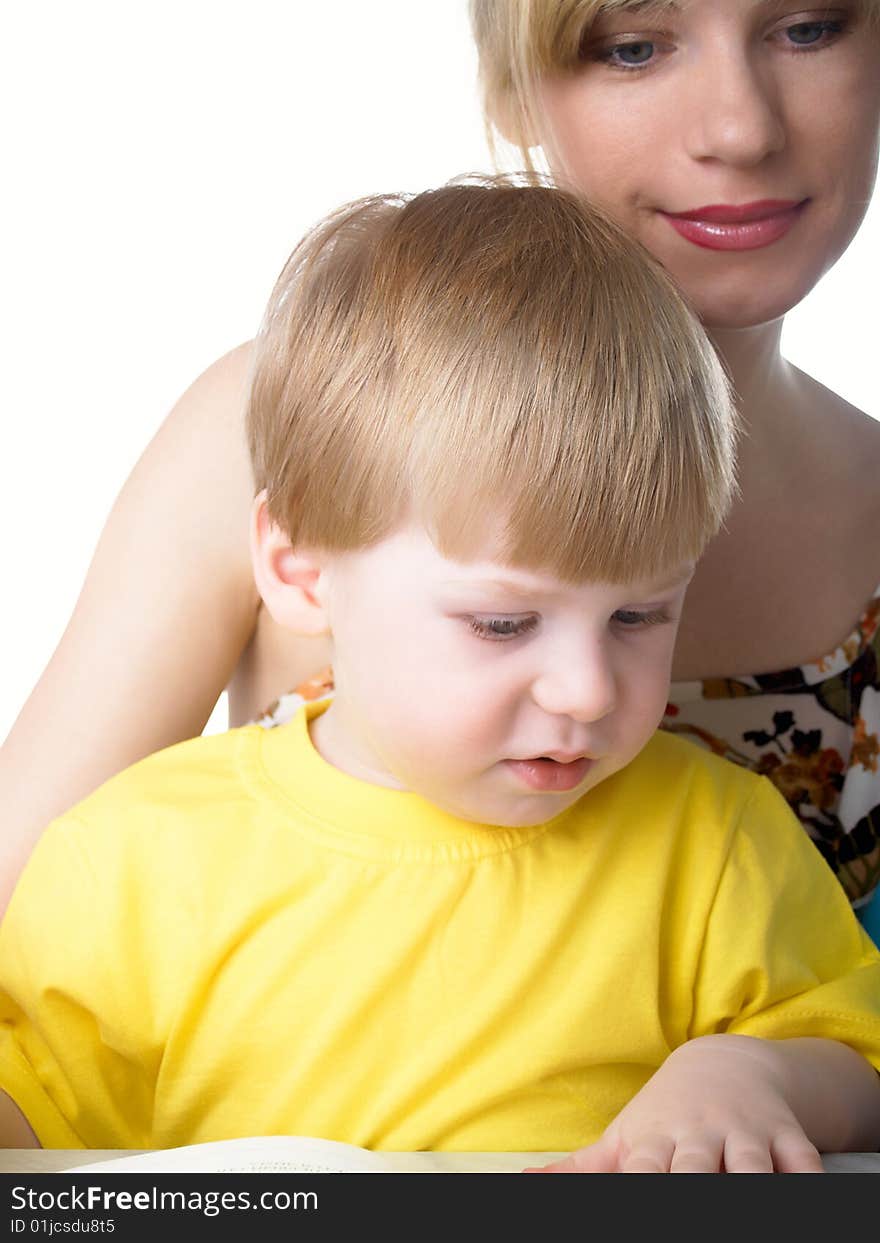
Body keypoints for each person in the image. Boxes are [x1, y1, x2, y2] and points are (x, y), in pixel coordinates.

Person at [1, 182, 879, 1172]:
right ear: (301, 573)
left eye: (639, 614)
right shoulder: (127, 863)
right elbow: (38, 1140)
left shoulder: (719, 846)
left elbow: (856, 1052)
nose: (587, 689)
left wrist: (754, 1075)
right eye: (503, 622)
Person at [1, 2, 878, 933]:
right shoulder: (292, 423)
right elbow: (25, 934)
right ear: (509, 89)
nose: (741, 129)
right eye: (632, 48)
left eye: (809, 29)